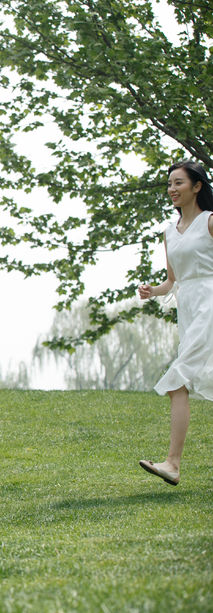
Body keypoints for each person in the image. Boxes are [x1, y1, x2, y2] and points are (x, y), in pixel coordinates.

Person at [137, 160, 213, 486]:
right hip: (189, 307)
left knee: (177, 380)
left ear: (197, 186)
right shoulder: (169, 231)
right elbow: (172, 281)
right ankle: (173, 464)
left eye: (178, 183)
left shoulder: (210, 222)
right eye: (169, 184)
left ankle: (172, 463)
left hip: (211, 300)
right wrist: (153, 291)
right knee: (184, 379)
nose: (172, 189)